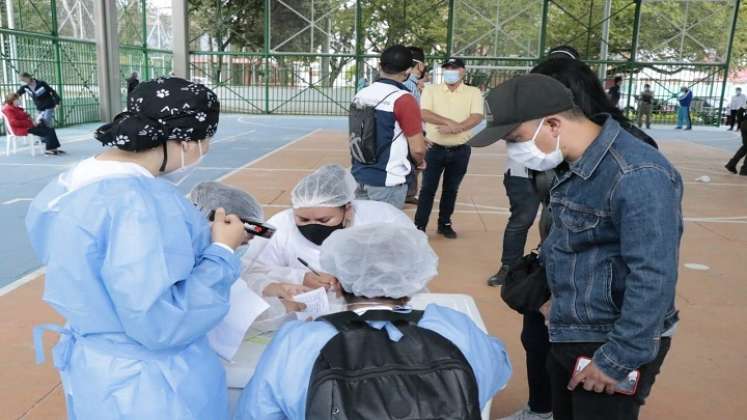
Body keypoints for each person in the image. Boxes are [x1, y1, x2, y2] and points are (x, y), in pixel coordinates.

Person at [26, 77, 249, 419]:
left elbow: (101, 261)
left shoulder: (66, 187)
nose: (205, 148)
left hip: (97, 375)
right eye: (206, 140)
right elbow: (161, 323)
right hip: (151, 387)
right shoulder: (143, 203)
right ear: (185, 141)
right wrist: (222, 251)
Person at [469, 73, 683, 420]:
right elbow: (568, 243)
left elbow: (653, 275)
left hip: (609, 344)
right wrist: (548, 300)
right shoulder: (573, 165)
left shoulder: (637, 173)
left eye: (516, 138)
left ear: (552, 124)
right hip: (571, 331)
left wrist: (617, 360)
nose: (514, 150)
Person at [234, 223, 512, 420]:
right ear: (414, 277)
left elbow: (257, 412)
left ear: (338, 282)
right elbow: (494, 375)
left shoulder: (300, 339)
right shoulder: (453, 326)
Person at [243, 164, 414, 298]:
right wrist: (299, 277)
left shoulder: (385, 219)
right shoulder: (279, 225)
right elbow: (248, 271)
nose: (313, 226)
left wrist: (366, 282)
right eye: (303, 219)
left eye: (323, 220)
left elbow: (413, 268)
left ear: (348, 209)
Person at [190, 181, 309, 335]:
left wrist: (268, 287)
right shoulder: (180, 258)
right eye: (243, 240)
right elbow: (206, 310)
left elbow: (237, 276)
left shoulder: (204, 249)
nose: (245, 245)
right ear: (218, 223)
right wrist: (279, 310)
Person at [414, 58, 484, 238]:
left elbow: (477, 116)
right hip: (434, 149)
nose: (450, 71)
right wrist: (450, 122)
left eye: (454, 68)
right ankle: (419, 226)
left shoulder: (473, 92)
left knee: (451, 189)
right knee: (428, 189)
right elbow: (424, 113)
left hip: (460, 150)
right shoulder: (431, 90)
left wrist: (457, 128)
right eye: (447, 68)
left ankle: (444, 223)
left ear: (463, 71)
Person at [351, 45, 427, 209]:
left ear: (380, 66)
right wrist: (419, 162)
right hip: (387, 181)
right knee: (384, 233)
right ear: (408, 70)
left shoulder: (361, 94)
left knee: (361, 230)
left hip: (359, 175)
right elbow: (418, 148)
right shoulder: (403, 99)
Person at [403, 46, 427, 205]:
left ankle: (409, 192)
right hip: (412, 129)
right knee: (415, 160)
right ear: (419, 65)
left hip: (409, 128)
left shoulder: (411, 84)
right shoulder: (411, 85)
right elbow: (416, 112)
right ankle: (407, 193)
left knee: (410, 161)